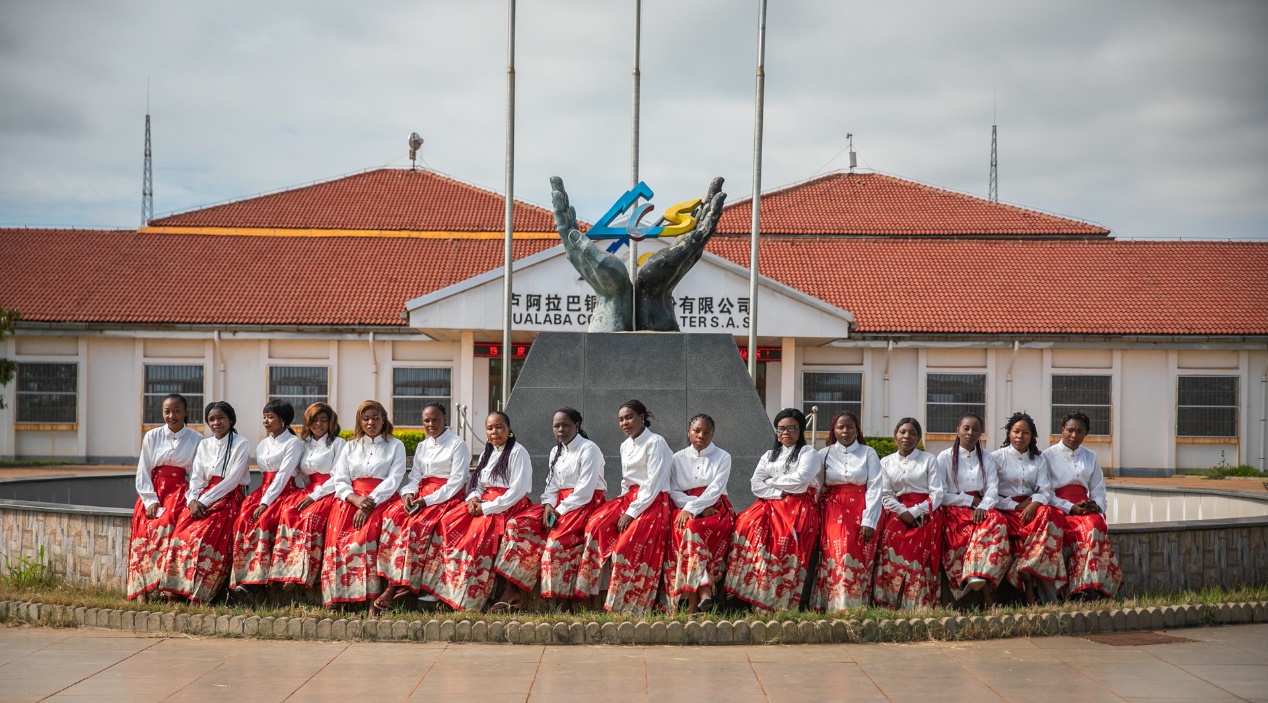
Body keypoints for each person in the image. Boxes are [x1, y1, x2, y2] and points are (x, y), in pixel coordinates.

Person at [493, 408, 606, 611]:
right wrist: (547, 506)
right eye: (556, 426)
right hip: (557, 503)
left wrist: (559, 510)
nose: (560, 430)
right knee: (515, 526)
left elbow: (585, 491)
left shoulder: (590, 449)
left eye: (565, 425)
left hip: (582, 503)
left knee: (555, 542)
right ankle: (512, 590)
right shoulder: (556, 451)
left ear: (577, 425)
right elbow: (551, 486)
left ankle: (560, 603)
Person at [574, 400, 673, 616]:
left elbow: (653, 484)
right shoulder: (625, 445)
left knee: (624, 549)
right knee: (595, 525)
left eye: (629, 417)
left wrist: (631, 512)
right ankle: (592, 594)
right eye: (620, 420)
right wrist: (618, 506)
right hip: (628, 498)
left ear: (641, 417)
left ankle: (628, 607)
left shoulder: (656, 443)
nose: (624, 423)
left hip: (652, 502)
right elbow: (626, 481)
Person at [373, 402, 472, 616]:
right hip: (421, 494)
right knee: (392, 516)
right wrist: (408, 494)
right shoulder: (422, 446)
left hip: (445, 497)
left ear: (445, 419)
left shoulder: (458, 445)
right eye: (426, 420)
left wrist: (427, 501)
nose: (431, 424)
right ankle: (393, 580)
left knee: (417, 524)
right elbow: (415, 476)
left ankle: (401, 585)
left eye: (435, 419)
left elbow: (456, 482)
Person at [434, 411, 533, 611]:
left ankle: (470, 598)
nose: (494, 432)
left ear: (509, 429)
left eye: (499, 427)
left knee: (475, 537)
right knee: (449, 522)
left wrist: (486, 508)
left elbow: (517, 491)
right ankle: (449, 591)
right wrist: (473, 498)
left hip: (506, 505)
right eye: (490, 428)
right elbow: (477, 483)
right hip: (483, 502)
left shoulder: (518, 452)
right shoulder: (487, 453)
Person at [725, 408, 820, 612]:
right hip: (769, 502)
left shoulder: (808, 453)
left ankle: (776, 602)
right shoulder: (769, 455)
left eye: (791, 428)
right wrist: (778, 492)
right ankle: (747, 588)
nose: (785, 432)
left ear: (800, 430)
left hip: (797, 507)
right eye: (781, 428)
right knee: (744, 524)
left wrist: (771, 481)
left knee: (781, 541)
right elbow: (755, 484)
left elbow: (802, 480)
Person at [156, 401, 250, 602]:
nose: (216, 423)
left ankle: (200, 593)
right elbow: (197, 477)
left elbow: (232, 480)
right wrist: (192, 500)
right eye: (212, 419)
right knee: (181, 534)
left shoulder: (241, 443)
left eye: (221, 418)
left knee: (204, 537)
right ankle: (175, 590)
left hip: (227, 497)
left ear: (231, 419)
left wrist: (204, 501)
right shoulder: (205, 444)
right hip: (202, 498)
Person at [320, 400, 407, 608]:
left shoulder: (396, 445)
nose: (371, 422)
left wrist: (369, 503)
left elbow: (394, 479)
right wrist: (354, 498)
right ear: (360, 421)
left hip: (382, 498)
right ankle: (337, 598)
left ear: (383, 419)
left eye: (375, 418)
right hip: (351, 499)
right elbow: (340, 477)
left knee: (367, 536)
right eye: (366, 418)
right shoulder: (350, 446)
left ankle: (371, 600)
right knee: (337, 537)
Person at [126, 393, 202, 601]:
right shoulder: (152, 436)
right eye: (167, 411)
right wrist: (150, 500)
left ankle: (167, 587)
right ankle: (142, 588)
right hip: (154, 490)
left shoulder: (196, 439)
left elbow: (197, 473)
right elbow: (143, 469)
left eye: (177, 411)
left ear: (186, 413)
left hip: (179, 491)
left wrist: (192, 497)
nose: (172, 416)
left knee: (169, 525)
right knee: (142, 529)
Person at [1043, 411, 1123, 599]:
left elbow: (1098, 488)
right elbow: (1045, 491)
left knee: (1095, 524)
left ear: (1086, 433)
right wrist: (1069, 507)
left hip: (1085, 508)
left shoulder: (1090, 456)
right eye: (1070, 430)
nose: (1074, 435)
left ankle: (1092, 586)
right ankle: (1077, 590)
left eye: (1080, 431)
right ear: (1062, 430)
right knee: (1082, 529)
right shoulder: (1047, 456)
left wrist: (1095, 505)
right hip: (1059, 508)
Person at [809, 411, 882, 612]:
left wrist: (870, 520)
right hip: (833, 511)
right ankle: (834, 605)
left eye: (850, 426)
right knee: (836, 553)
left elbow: (875, 487)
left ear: (857, 429)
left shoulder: (868, 453)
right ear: (833, 430)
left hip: (862, 509)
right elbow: (818, 486)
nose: (845, 431)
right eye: (840, 427)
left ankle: (856, 606)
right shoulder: (824, 454)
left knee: (859, 556)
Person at [991, 412, 1067, 605]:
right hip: (1006, 509)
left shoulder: (1038, 459)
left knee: (1051, 512)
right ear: (1009, 433)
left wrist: (1033, 504)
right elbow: (990, 492)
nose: (1020, 436)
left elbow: (1045, 489)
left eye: (1026, 432)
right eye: (1016, 431)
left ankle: (1027, 566)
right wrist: (1015, 505)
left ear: (1032, 436)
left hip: (1032, 510)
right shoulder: (996, 458)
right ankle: (1027, 586)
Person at [937, 412, 1011, 607]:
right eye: (966, 428)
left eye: (975, 429)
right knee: (969, 532)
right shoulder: (944, 457)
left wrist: (983, 506)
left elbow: (992, 488)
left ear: (980, 433)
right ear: (958, 431)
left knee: (999, 521)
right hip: (955, 508)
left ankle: (976, 574)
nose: (970, 433)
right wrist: (970, 500)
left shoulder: (987, 458)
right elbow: (941, 494)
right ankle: (985, 597)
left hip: (981, 508)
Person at [269, 402, 345, 591]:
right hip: (308, 490)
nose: (319, 424)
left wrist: (315, 495)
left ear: (331, 422)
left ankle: (302, 574)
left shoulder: (338, 444)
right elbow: (301, 473)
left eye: (323, 420)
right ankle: (284, 571)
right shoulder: (304, 445)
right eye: (314, 420)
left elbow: (339, 477)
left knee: (310, 517)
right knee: (288, 512)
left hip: (329, 491)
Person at [872, 418, 945, 610]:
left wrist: (915, 511)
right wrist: (902, 511)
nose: (907, 436)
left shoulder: (928, 459)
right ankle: (889, 602)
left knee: (919, 549)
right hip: (896, 511)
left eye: (913, 433)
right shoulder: (885, 462)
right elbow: (885, 493)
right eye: (902, 432)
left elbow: (937, 493)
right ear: (895, 435)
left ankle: (916, 604)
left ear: (918, 438)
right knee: (889, 541)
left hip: (925, 511)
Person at [664, 414, 733, 614]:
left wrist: (696, 508)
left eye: (706, 432)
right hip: (685, 507)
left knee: (692, 528)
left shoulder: (723, 457)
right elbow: (673, 490)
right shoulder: (677, 458)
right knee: (687, 527)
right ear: (689, 432)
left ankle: (694, 605)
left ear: (713, 434)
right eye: (697, 431)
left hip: (716, 508)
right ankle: (703, 590)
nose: (701, 435)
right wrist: (695, 508)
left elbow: (715, 490)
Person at [230, 400, 302, 592]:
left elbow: (283, 475)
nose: (265, 421)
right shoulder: (262, 445)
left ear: (283, 419)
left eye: (270, 417)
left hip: (285, 491)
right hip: (263, 490)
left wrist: (265, 503)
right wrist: (262, 499)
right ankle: (242, 577)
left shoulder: (293, 443)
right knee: (243, 519)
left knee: (263, 520)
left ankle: (259, 580)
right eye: (264, 417)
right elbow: (264, 474)